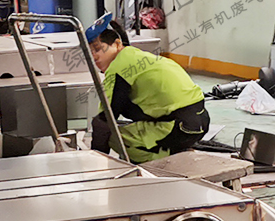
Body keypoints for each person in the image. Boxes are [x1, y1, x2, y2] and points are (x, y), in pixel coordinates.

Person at [86, 15, 209, 161]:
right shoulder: (135, 56)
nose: (94, 57)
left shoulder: (119, 69)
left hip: (180, 127)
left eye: (98, 49)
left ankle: (168, 157)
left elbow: (105, 120)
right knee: (125, 118)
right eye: (90, 52)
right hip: (198, 121)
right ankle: (174, 148)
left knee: (112, 136)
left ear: (117, 44)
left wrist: (94, 162)